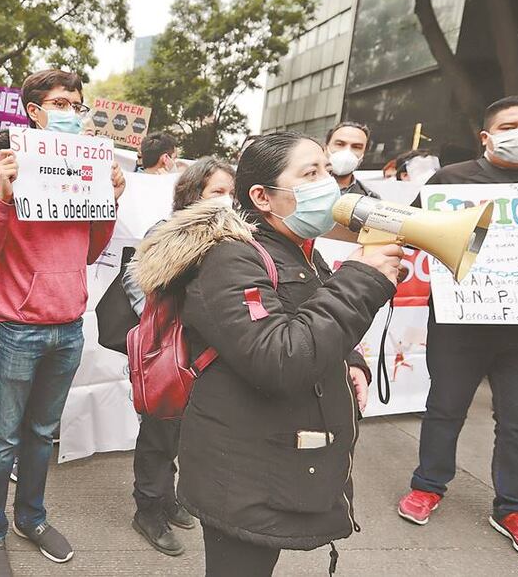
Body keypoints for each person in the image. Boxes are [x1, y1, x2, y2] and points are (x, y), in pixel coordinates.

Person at [131, 131, 400, 576]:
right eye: (310, 174)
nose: (327, 184)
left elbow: (309, 317)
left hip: (274, 460)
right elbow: (279, 356)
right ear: (262, 196)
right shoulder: (231, 259)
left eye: (327, 172)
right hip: (241, 471)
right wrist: (362, 280)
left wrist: (349, 361)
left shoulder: (299, 251)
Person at [397, 95, 518, 561]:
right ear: (486, 136)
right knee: (444, 408)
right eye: (509, 125)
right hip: (461, 324)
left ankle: (515, 508)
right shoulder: (450, 181)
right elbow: (412, 233)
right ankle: (428, 485)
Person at [0, 69, 125, 577]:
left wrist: (111, 201)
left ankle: (30, 519)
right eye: (59, 102)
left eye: (77, 104)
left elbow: (93, 250)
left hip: (69, 324)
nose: (71, 112)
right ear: (33, 111)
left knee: (41, 433)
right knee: (4, 437)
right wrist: (4, 199)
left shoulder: (90, 164)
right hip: (16, 326)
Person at [122, 157, 236, 557]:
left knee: (181, 435)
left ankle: (167, 499)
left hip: (206, 357)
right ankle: (148, 510)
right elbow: (134, 277)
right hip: (168, 356)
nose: (225, 201)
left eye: (230, 193)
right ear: (192, 196)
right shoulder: (168, 231)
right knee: (157, 435)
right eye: (216, 193)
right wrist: (158, 324)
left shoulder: (232, 235)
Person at [325, 121, 380, 198]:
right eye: (340, 144)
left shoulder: (370, 199)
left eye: (356, 147)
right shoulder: (305, 187)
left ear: (363, 154)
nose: (347, 152)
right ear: (325, 148)